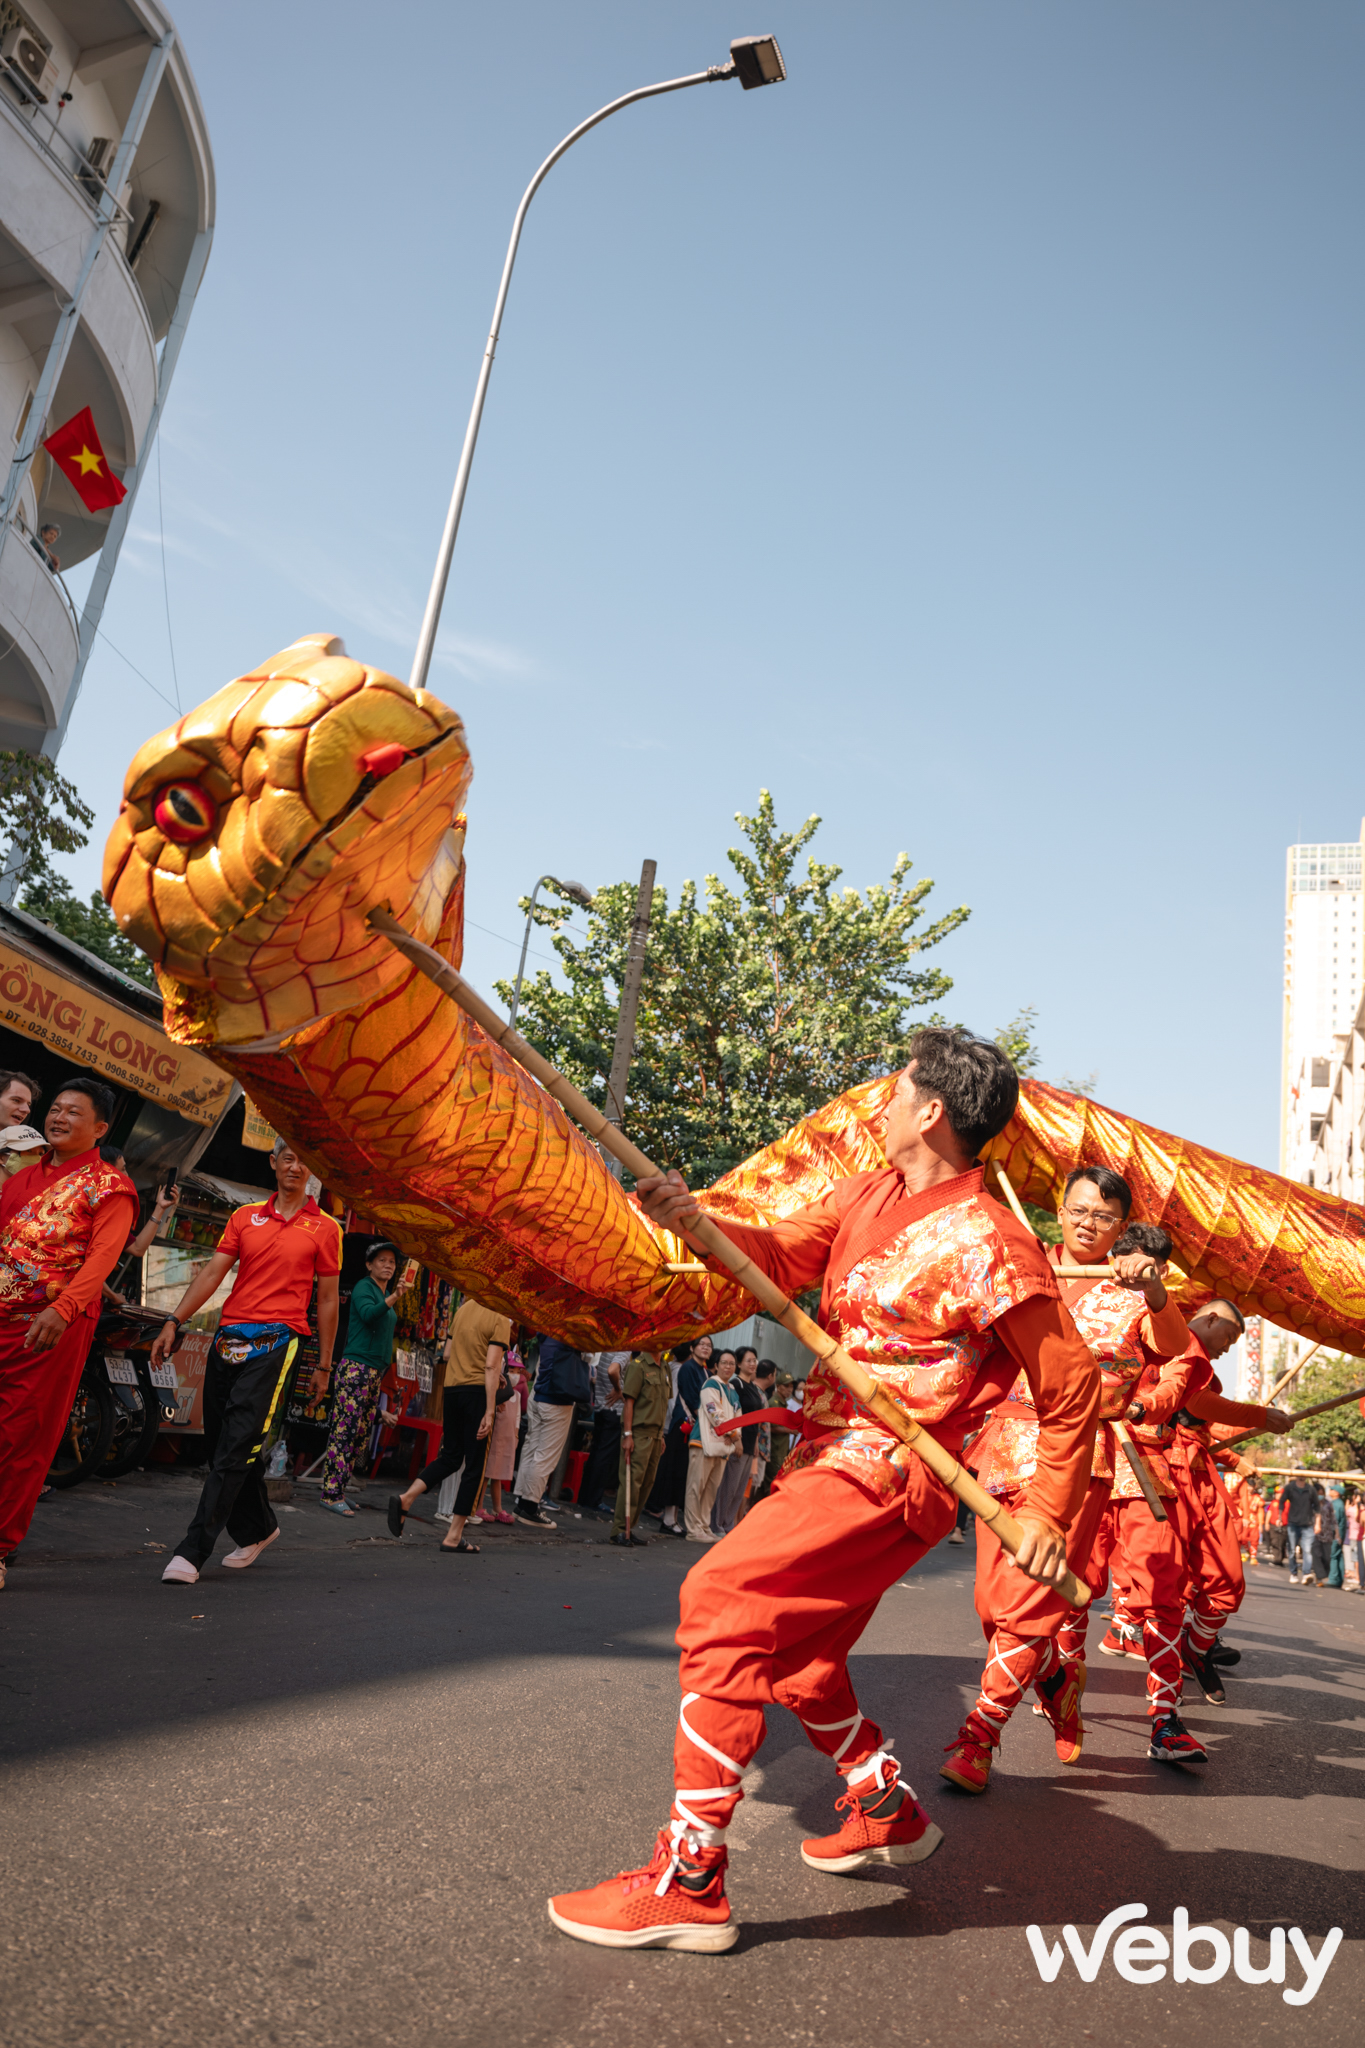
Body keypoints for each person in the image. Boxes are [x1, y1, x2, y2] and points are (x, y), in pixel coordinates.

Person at [548, 1027, 1099, 1952]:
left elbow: (1070, 1387)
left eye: (895, 1088)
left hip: (893, 1468)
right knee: (801, 1659)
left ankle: (689, 1879)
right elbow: (775, 1249)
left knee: (719, 1604)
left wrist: (1046, 1512)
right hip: (830, 1449)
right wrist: (697, 1222)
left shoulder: (994, 1243)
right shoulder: (867, 1192)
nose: (879, 1103)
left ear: (930, 1111)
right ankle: (883, 1804)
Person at [949, 1191, 1191, 1789]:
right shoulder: (1023, 1264)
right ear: (1060, 1210)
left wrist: (1154, 1290)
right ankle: (1055, 1674)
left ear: (1120, 1225)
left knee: (1029, 1603)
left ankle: (978, 1737)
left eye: (1104, 1216)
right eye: (1079, 1210)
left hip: (1080, 1460)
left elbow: (1174, 1346)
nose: (1089, 1224)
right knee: (992, 1603)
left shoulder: (1135, 1287)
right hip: (1006, 1446)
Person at [154, 1137, 341, 1585]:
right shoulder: (244, 1216)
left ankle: (192, 1549)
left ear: (313, 1171)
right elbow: (214, 1273)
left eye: (305, 1160)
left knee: (238, 1444)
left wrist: (324, 1365)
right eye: (289, 1158)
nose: (296, 1167)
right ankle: (258, 1528)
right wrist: (174, 1320)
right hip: (228, 1338)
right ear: (274, 1163)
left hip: (280, 1343)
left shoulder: (327, 1228)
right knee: (225, 1442)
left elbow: (329, 1300)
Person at [0, 1075, 136, 1585]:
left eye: (73, 1112)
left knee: (24, 1435)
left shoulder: (111, 1188)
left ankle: (1, 1546)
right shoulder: (19, 1178)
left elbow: (101, 1261)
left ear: (99, 1129)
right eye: (55, 1108)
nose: (57, 1117)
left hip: (50, 1328)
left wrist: (65, 1310)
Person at [1163, 1301, 1292, 1703]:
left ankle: (1195, 1649)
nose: (1230, 1347)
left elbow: (1202, 1424)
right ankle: (1162, 1691)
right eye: (1231, 1337)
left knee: (1224, 1583)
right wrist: (1259, 1416)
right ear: (1212, 1319)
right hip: (1163, 1474)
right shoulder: (1173, 1345)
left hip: (1197, 1475)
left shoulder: (1197, 1361)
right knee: (1161, 1588)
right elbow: (1199, 1408)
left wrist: (1236, 1455)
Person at [387, 1292, 508, 1553]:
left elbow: (449, 1353)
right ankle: (454, 1536)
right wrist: (489, 1409)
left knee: (451, 1456)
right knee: (474, 1466)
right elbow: (490, 1366)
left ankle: (407, 1497)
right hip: (477, 1392)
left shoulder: (463, 1310)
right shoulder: (500, 1315)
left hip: (452, 1390)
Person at [317, 1241, 400, 1516]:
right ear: (369, 1265)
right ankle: (330, 1493)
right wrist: (392, 1299)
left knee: (360, 1434)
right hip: (357, 1366)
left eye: (392, 1262)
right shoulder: (365, 1287)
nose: (388, 1265)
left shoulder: (383, 1291)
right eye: (382, 1260)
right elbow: (368, 1315)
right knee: (345, 1430)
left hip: (374, 1371)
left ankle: (340, 1489)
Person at [512, 1335, 591, 1528]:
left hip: (538, 1397)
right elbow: (588, 1355)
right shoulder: (570, 1335)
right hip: (556, 1403)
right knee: (544, 1456)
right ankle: (530, 1507)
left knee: (531, 1450)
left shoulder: (546, 1333)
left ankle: (522, 1502)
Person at [646, 1337, 711, 1535]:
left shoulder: (704, 1371)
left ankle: (673, 1518)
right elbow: (692, 1399)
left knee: (683, 1473)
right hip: (684, 1425)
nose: (706, 1348)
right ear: (692, 1348)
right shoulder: (688, 1368)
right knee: (675, 1471)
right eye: (702, 1344)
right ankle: (668, 1518)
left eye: (709, 1345)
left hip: (695, 1426)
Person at [611, 1349, 674, 1548]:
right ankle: (620, 1530)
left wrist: (661, 1435)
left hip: (655, 1435)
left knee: (647, 1483)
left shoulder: (665, 1367)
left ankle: (630, 1527)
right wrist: (628, 1435)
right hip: (638, 1432)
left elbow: (663, 1404)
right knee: (631, 1482)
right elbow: (629, 1402)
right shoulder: (638, 1365)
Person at [685, 1349, 737, 1542]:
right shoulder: (711, 1384)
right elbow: (714, 1413)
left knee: (710, 1489)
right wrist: (733, 1434)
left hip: (723, 1445)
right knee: (696, 1487)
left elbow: (737, 1416)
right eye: (724, 1363)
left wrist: (734, 1435)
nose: (728, 1367)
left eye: (732, 1363)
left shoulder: (732, 1390)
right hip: (703, 1443)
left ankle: (704, 1526)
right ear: (716, 1365)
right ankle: (693, 1529)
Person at [475, 1330, 525, 1525]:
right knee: (487, 1473)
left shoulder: (518, 1396)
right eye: (512, 1370)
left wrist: (516, 1436)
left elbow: (518, 1419)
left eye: (518, 1371)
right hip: (494, 1439)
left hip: (508, 1440)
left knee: (499, 1475)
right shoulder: (499, 1392)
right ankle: (479, 1506)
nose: (515, 1375)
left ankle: (497, 1508)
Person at [713, 1347, 764, 1535]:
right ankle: (717, 1524)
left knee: (739, 1489)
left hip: (751, 1444)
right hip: (737, 1443)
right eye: (749, 1360)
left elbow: (755, 1417)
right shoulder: (736, 1384)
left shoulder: (752, 1387)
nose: (753, 1364)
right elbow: (731, 1414)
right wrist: (736, 1440)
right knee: (729, 1486)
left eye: (754, 1360)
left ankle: (728, 1525)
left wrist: (756, 1442)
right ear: (739, 1363)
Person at [579, 1349, 626, 1516]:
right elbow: (612, 1370)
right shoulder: (624, 1350)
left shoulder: (609, 1348)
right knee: (603, 1458)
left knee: (597, 1454)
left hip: (601, 1407)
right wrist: (619, 1389)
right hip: (612, 1411)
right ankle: (593, 1500)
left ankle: (585, 1498)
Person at [1279, 1473, 1320, 1584]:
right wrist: (1280, 1517)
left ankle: (1306, 1573)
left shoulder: (1310, 1489)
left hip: (1307, 1524)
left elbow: (1317, 1507)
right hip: (1293, 1523)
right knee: (1292, 1550)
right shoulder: (1290, 1488)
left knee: (1307, 1550)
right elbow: (1281, 1501)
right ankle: (1294, 1573)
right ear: (1296, 1475)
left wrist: (1318, 1523)